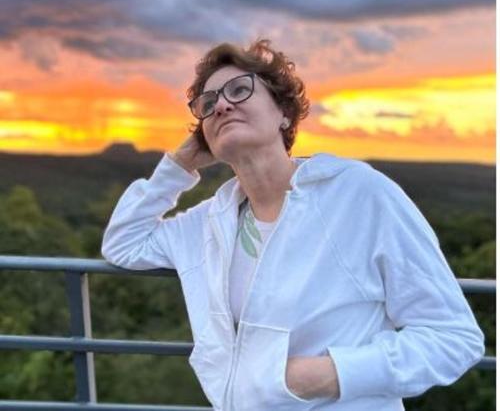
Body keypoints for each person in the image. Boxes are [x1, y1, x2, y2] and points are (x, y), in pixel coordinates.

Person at [101, 39, 485, 411]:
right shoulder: (207, 223)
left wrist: (330, 374)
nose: (221, 106)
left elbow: (453, 337)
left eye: (240, 90)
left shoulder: (357, 195)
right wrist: (179, 165)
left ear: (283, 112)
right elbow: (124, 243)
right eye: (208, 103)